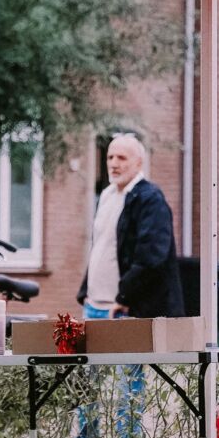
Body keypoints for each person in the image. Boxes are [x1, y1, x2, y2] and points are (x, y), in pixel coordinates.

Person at [78, 133, 181, 318]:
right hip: (93, 305)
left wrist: (124, 298)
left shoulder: (150, 198)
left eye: (122, 158)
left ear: (139, 163)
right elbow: (100, 246)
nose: (114, 163)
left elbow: (151, 257)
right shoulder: (107, 195)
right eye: (110, 157)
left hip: (122, 309)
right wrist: (85, 292)